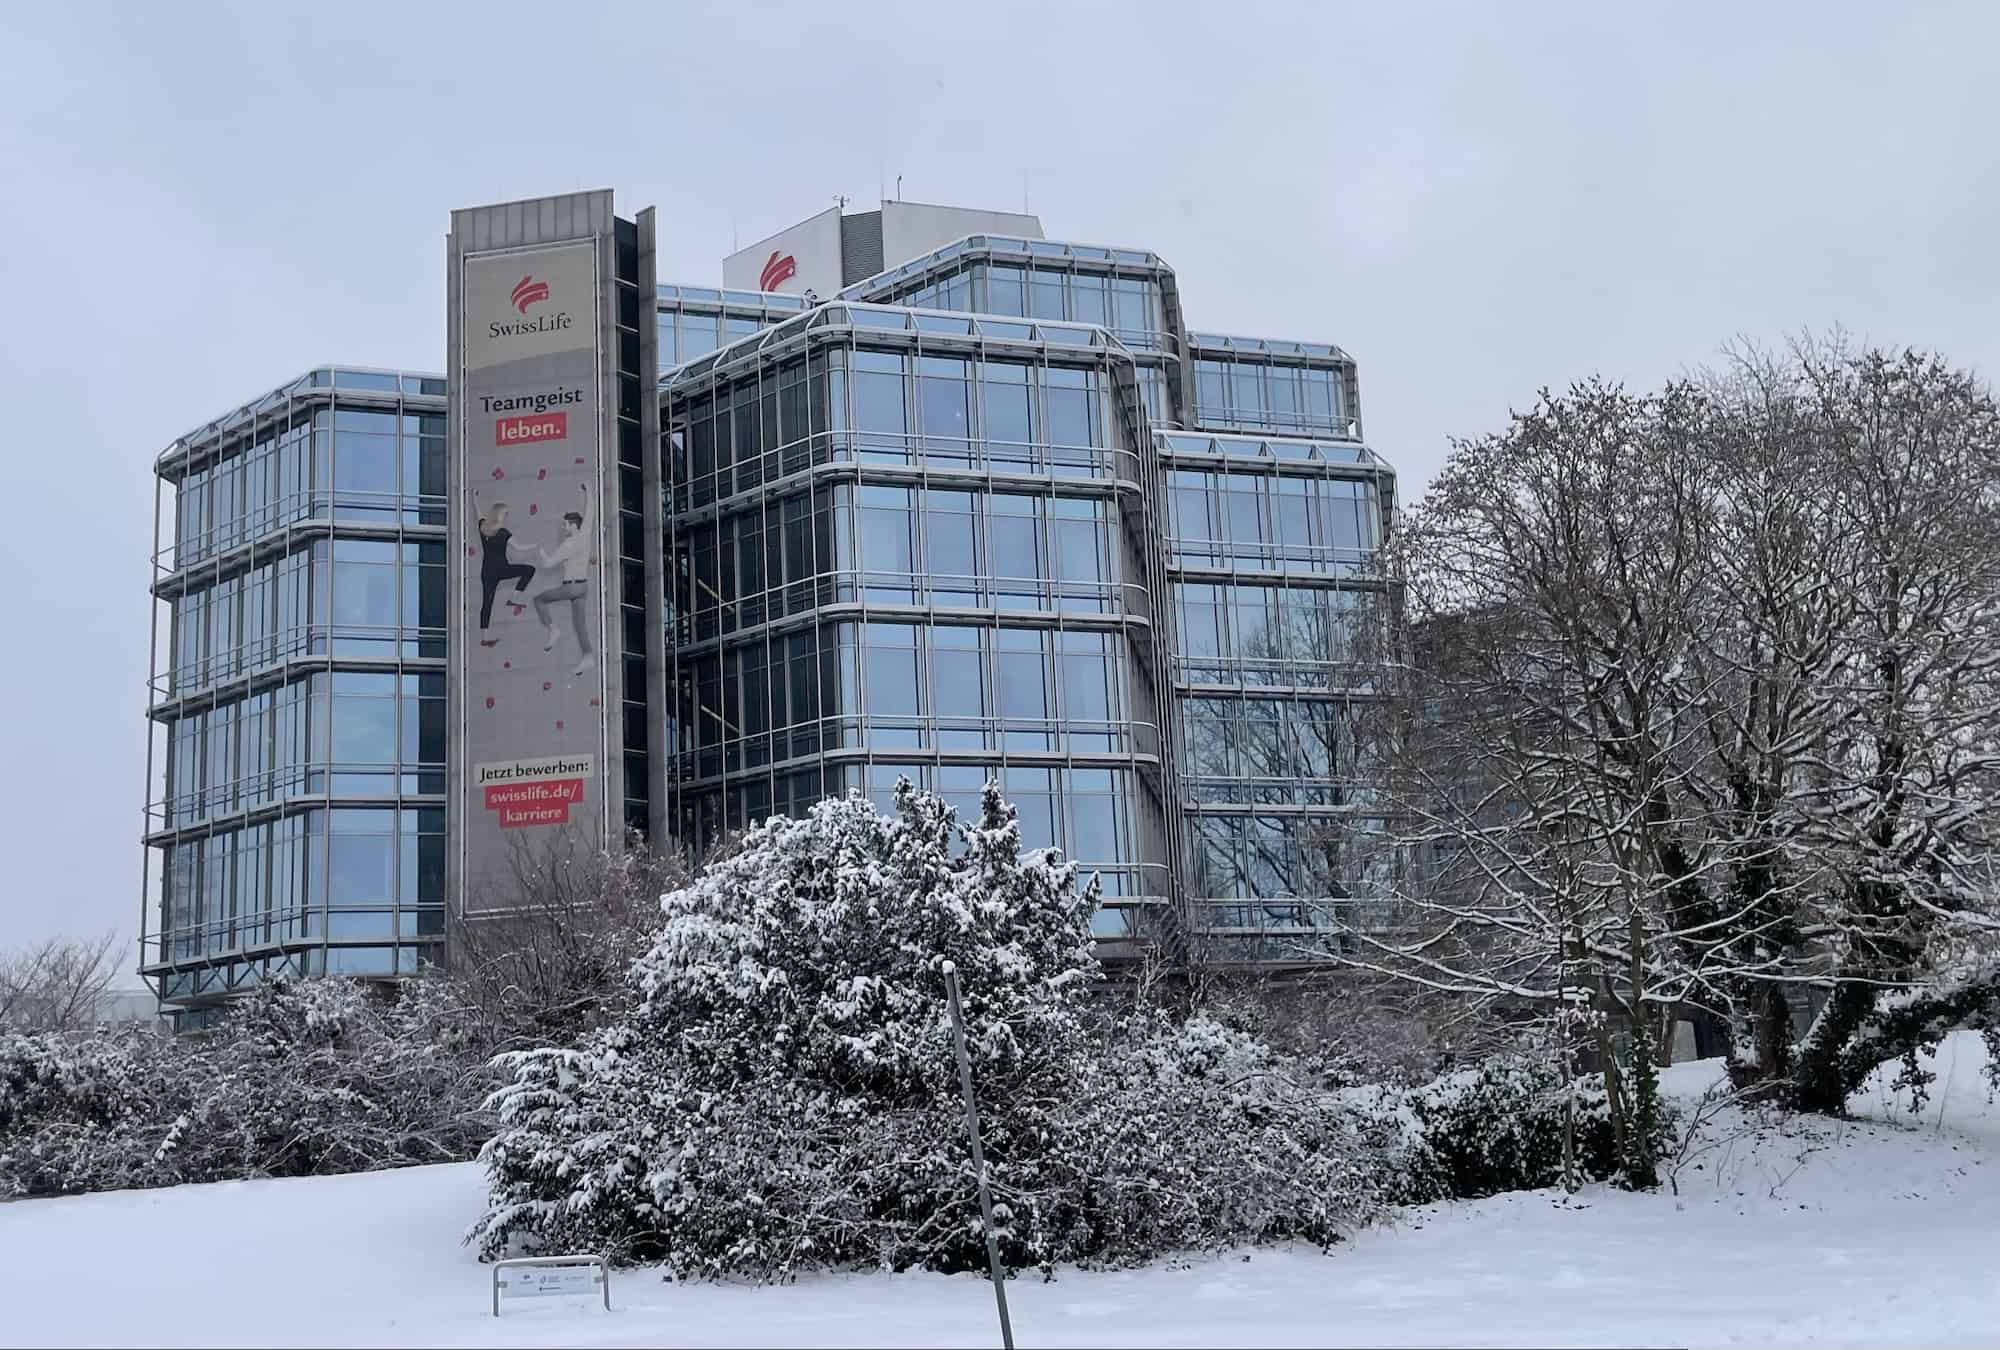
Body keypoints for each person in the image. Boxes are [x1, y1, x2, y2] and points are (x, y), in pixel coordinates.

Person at [532, 483, 594, 676]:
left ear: (573, 525)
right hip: (583, 587)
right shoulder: (585, 535)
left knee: (539, 599)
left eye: (565, 524)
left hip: (571, 587)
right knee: (579, 624)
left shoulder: (568, 544)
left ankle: (553, 629)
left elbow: (549, 564)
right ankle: (588, 656)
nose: (563, 527)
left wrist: (542, 554)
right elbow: (590, 512)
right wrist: (589, 492)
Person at [475, 498, 535, 637]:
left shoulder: (483, 528)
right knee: (529, 570)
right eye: (505, 514)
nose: (506, 516)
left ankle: (485, 637)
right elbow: (519, 547)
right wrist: (534, 546)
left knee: (487, 602)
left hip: (488, 572)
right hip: (502, 569)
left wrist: (474, 498)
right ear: (499, 515)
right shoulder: (503, 532)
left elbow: (479, 514)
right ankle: (514, 598)